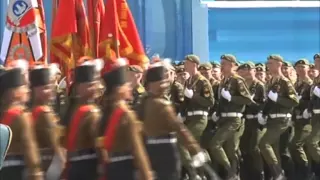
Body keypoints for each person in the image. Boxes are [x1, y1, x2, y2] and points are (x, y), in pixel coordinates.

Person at [141, 63, 208, 180]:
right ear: (154, 84)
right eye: (162, 81)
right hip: (166, 150)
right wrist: (195, 150)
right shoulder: (162, 104)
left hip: (148, 149)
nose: (166, 84)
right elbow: (179, 128)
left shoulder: (142, 103)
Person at [96, 58, 153, 180]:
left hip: (110, 169)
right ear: (119, 90)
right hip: (125, 169)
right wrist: (147, 176)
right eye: (126, 85)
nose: (129, 88)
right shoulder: (126, 115)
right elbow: (138, 150)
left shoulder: (106, 112)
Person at [209, 54, 253, 180]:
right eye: (221, 63)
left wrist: (231, 98)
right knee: (230, 149)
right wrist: (217, 113)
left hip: (234, 119)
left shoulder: (237, 79)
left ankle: (230, 170)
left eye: (224, 64)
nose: (221, 66)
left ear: (232, 65)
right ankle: (234, 174)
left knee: (215, 144)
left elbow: (247, 99)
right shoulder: (224, 81)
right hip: (224, 118)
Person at [0, 68, 44, 180]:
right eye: (23, 87)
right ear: (14, 93)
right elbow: (30, 148)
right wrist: (36, 174)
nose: (27, 90)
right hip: (15, 172)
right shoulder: (21, 116)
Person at [260, 55, 299, 180]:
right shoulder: (271, 81)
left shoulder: (284, 82)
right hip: (272, 119)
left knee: (264, 143)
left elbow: (294, 101)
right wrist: (264, 114)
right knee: (274, 150)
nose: (268, 66)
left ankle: (277, 173)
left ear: (279, 64)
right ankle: (279, 176)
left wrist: (278, 99)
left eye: (271, 63)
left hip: (282, 120)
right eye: (268, 63)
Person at [63, 61, 102, 180]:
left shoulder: (71, 108)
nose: (98, 87)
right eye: (93, 84)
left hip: (72, 167)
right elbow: (99, 144)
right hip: (89, 167)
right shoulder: (92, 112)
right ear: (82, 87)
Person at [181, 54, 214, 179]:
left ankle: (194, 172)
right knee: (195, 146)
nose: (185, 65)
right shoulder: (188, 81)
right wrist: (181, 113)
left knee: (185, 142)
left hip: (200, 117)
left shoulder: (202, 81)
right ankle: (202, 173)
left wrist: (193, 96)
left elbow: (210, 101)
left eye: (187, 63)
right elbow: (186, 102)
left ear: (194, 65)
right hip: (190, 117)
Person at [29, 66, 65, 179]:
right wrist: (63, 162)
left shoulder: (32, 110)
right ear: (36, 90)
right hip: (50, 165)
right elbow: (54, 143)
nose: (50, 90)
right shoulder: (44, 113)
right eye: (46, 88)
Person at [237, 62, 266, 180]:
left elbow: (263, 104)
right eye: (244, 70)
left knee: (254, 148)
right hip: (245, 121)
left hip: (256, 121)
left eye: (249, 70)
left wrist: (250, 102)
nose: (246, 72)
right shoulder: (242, 86)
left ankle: (260, 174)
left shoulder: (259, 85)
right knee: (244, 149)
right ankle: (246, 175)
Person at [290, 59, 313, 179]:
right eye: (298, 67)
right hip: (297, 120)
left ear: (308, 68)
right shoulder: (296, 85)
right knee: (298, 147)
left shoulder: (311, 84)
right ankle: (301, 172)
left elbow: (313, 101)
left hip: (307, 120)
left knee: (297, 145)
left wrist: (307, 108)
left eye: (303, 67)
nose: (300, 69)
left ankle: (306, 171)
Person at [306, 53, 320, 179]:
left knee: (312, 143)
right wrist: (309, 109)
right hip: (315, 115)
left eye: (319, 61)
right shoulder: (317, 79)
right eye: (316, 61)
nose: (317, 63)